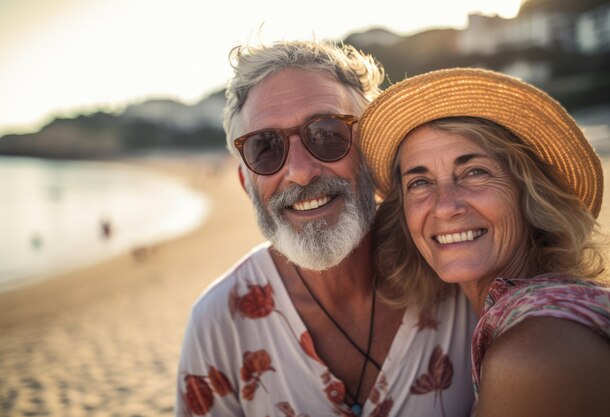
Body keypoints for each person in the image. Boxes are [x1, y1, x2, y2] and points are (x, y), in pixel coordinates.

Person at [175, 41, 477, 417]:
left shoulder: (459, 274)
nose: (300, 171)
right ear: (246, 183)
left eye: (328, 133)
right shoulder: (219, 324)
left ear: (371, 151)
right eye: (265, 148)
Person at [360, 67, 610, 416]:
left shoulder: (531, 355)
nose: (446, 206)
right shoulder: (539, 315)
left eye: (475, 172)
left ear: (528, 190)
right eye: (419, 182)